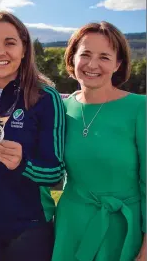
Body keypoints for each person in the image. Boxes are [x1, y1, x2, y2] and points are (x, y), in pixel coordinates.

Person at [0, 11, 66, 261]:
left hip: (28, 228)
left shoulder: (45, 97)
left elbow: (54, 172)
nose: (0, 52)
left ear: (24, 50)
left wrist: (24, 164)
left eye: (10, 43)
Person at [52, 21, 146, 261]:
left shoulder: (140, 108)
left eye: (104, 57)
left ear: (118, 64)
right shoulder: (61, 109)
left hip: (123, 228)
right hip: (71, 226)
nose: (92, 65)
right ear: (72, 58)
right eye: (85, 54)